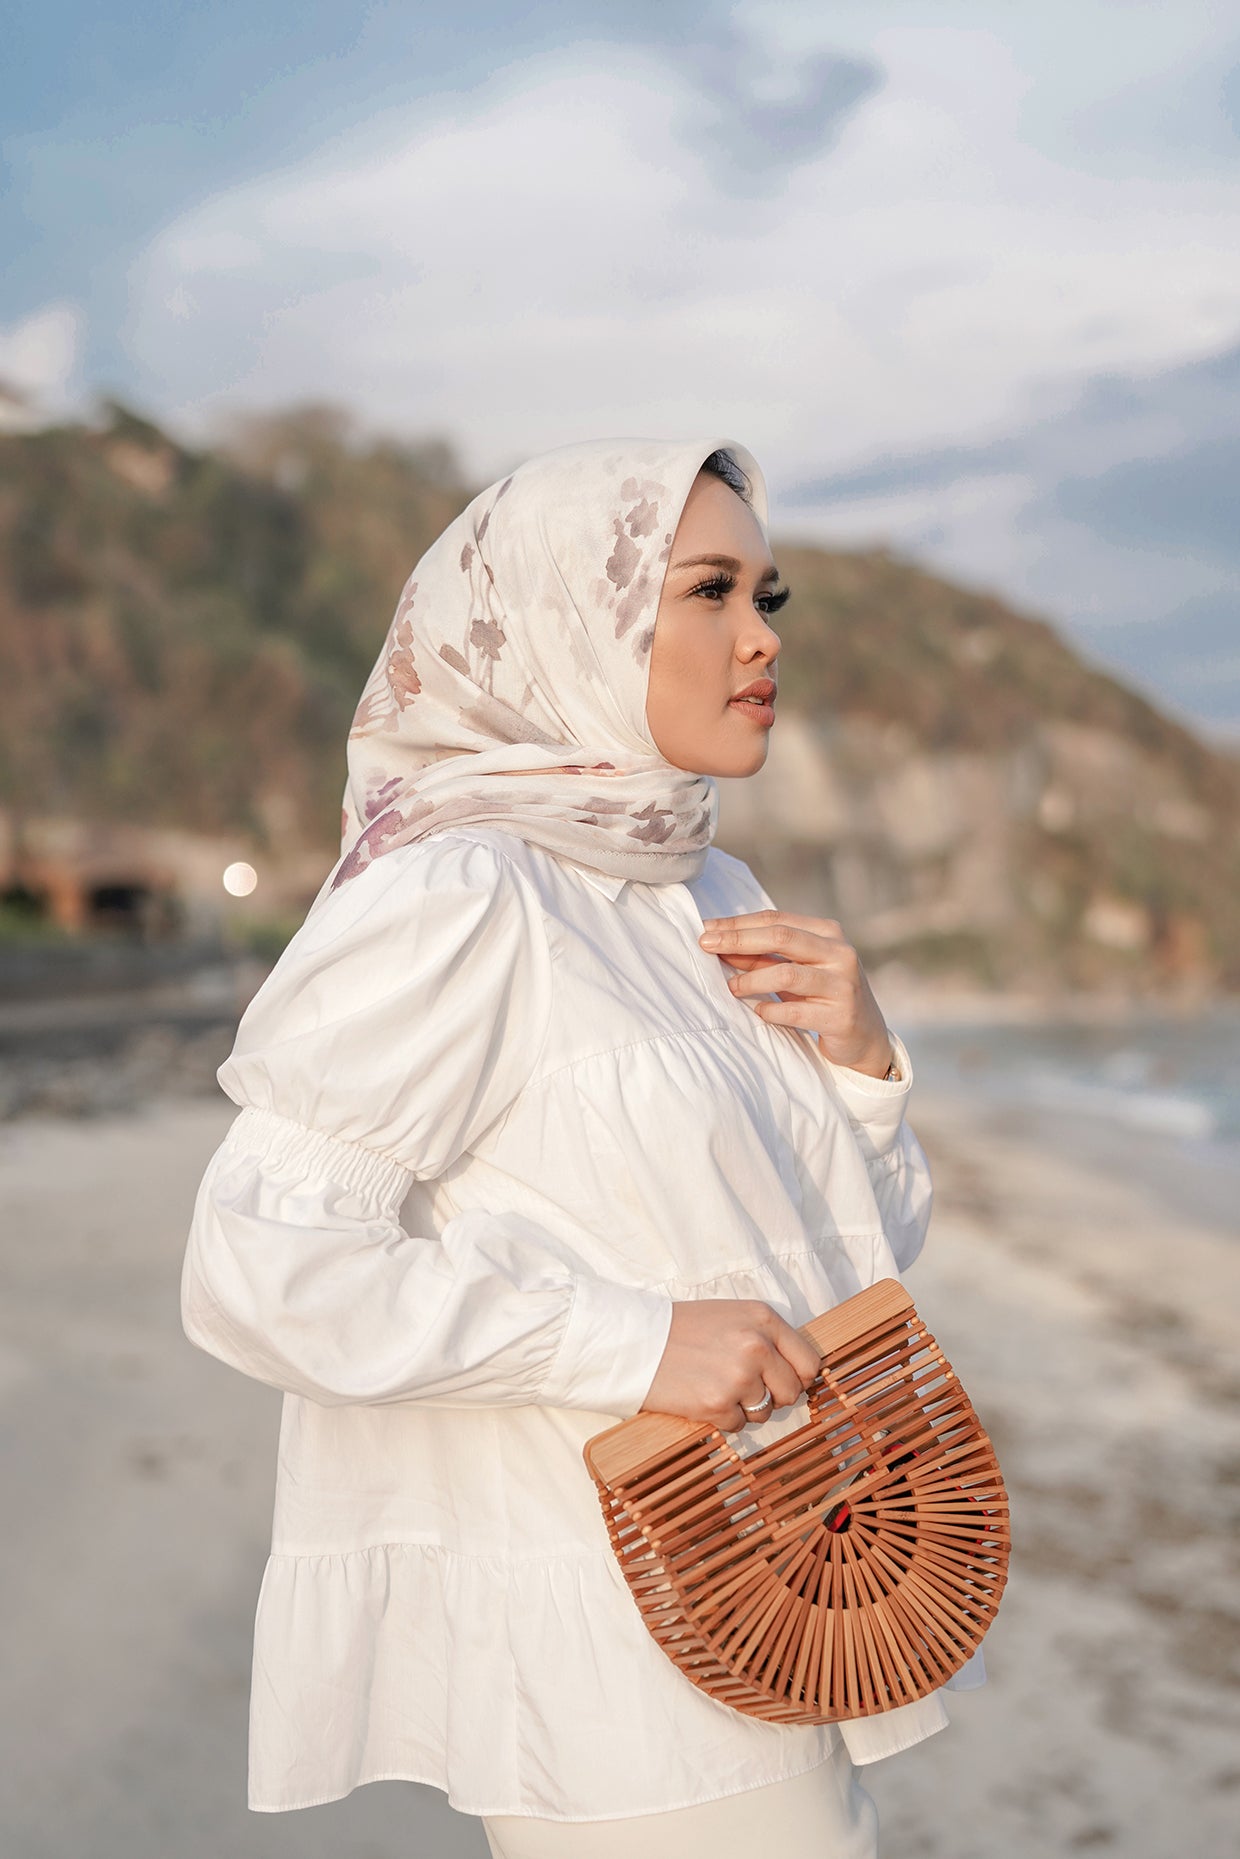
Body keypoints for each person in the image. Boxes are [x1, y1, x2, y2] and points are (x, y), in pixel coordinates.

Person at [182, 437, 965, 1859]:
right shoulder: (465, 890)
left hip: (779, 1576)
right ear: (571, 622)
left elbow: (853, 1257)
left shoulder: (704, 885)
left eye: (766, 597)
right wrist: (634, 1343)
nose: (760, 638)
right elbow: (258, 1266)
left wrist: (862, 1068)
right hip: (609, 1642)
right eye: (708, 591)